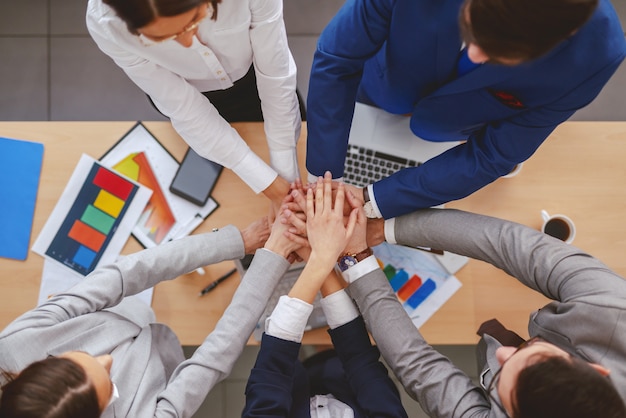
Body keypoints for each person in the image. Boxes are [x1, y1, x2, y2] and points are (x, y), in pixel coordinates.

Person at [305, 0, 626, 219]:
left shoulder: (597, 57)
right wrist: (323, 175)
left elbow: (491, 156)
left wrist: (373, 202)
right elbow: (338, 60)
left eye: (497, 54)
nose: (472, 55)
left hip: (452, 127)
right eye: (471, 28)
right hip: (383, 83)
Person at [327, 202, 626, 417]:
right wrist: (382, 229)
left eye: (507, 376)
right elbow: (506, 244)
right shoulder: (613, 307)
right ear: (598, 371)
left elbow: (421, 368)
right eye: (536, 358)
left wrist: (355, 257)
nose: (502, 353)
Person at [0, 214, 305, 418]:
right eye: (108, 381)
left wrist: (238, 241)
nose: (107, 359)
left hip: (132, 315)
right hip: (166, 362)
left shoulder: (14, 345)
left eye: (78, 355)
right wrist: (270, 263)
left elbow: (125, 274)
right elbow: (211, 361)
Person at [86, 0, 303, 214]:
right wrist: (269, 185)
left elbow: (275, 75)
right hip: (188, 91)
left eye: (194, 21)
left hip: (254, 76)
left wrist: (286, 174)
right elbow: (186, 110)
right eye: (161, 38)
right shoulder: (106, 24)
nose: (187, 43)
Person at [242, 178, 407, 417]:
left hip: (291, 388)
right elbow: (361, 361)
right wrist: (319, 256)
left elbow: (271, 376)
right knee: (328, 357)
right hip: (343, 380)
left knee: (292, 362)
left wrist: (319, 256)